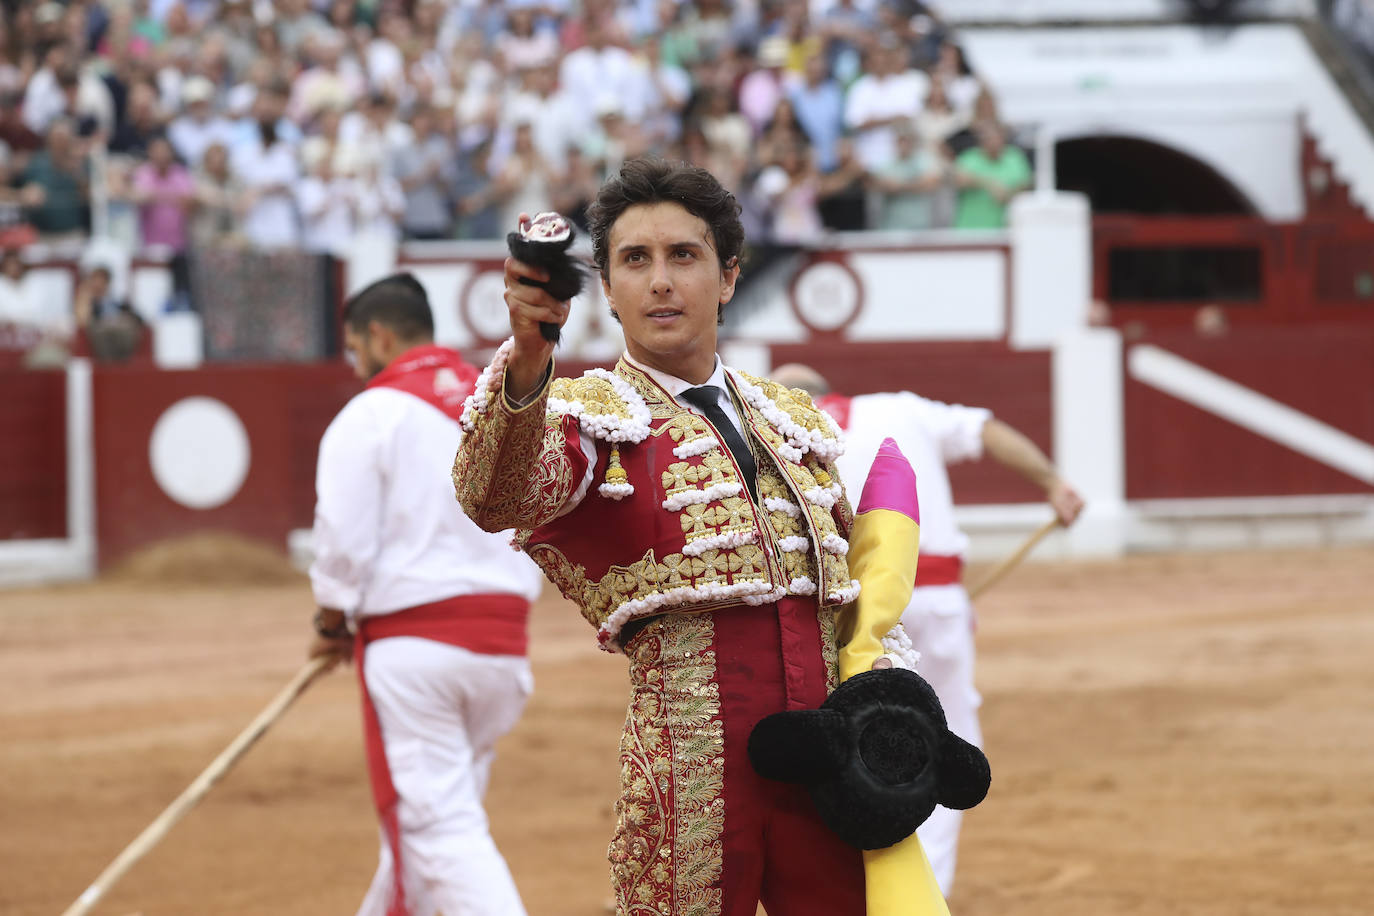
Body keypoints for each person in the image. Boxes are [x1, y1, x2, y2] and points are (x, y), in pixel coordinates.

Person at [453, 157, 879, 915]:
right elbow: (497, 495)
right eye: (634, 260)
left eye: (683, 255)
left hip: (828, 763)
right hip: (690, 772)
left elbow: (851, 603)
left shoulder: (793, 417)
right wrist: (528, 356)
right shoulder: (592, 414)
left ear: (728, 278)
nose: (659, 281)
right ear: (607, 289)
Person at [769, 362, 1086, 897]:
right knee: (940, 739)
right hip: (936, 600)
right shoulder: (901, 409)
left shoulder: (772, 428)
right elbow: (984, 429)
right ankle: (925, 890)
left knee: (839, 741)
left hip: (840, 608)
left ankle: (848, 886)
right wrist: (1054, 483)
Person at [309, 274, 545, 916]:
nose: (356, 365)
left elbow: (342, 543)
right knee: (430, 824)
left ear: (380, 336)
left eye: (356, 349)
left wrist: (332, 623)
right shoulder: (498, 403)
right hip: (503, 653)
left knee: (438, 831)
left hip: (416, 655)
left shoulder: (371, 414)